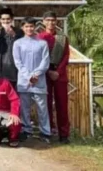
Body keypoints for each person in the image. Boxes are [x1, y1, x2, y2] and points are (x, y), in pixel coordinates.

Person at [13, 17, 51, 143]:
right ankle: (26, 130)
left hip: (39, 80)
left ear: (35, 27)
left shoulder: (42, 43)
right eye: (26, 26)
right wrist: (28, 76)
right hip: (24, 81)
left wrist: (36, 75)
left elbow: (45, 62)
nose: (29, 29)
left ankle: (45, 132)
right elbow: (18, 62)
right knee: (25, 107)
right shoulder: (18, 43)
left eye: (31, 26)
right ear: (22, 28)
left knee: (42, 108)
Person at [38, 11, 70, 143]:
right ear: (44, 21)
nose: (51, 23)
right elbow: (38, 57)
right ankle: (48, 130)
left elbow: (66, 56)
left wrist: (58, 72)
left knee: (62, 105)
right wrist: (47, 71)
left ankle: (64, 134)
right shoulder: (39, 38)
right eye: (48, 20)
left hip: (59, 75)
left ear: (56, 22)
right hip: (45, 75)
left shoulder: (63, 38)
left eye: (53, 20)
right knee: (46, 105)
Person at [0, 8, 23, 90]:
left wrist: (14, 35)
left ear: (12, 19)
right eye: (3, 19)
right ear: (0, 20)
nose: (5, 21)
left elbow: (22, 47)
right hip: (1, 66)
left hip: (14, 67)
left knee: (14, 92)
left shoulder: (19, 31)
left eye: (8, 19)